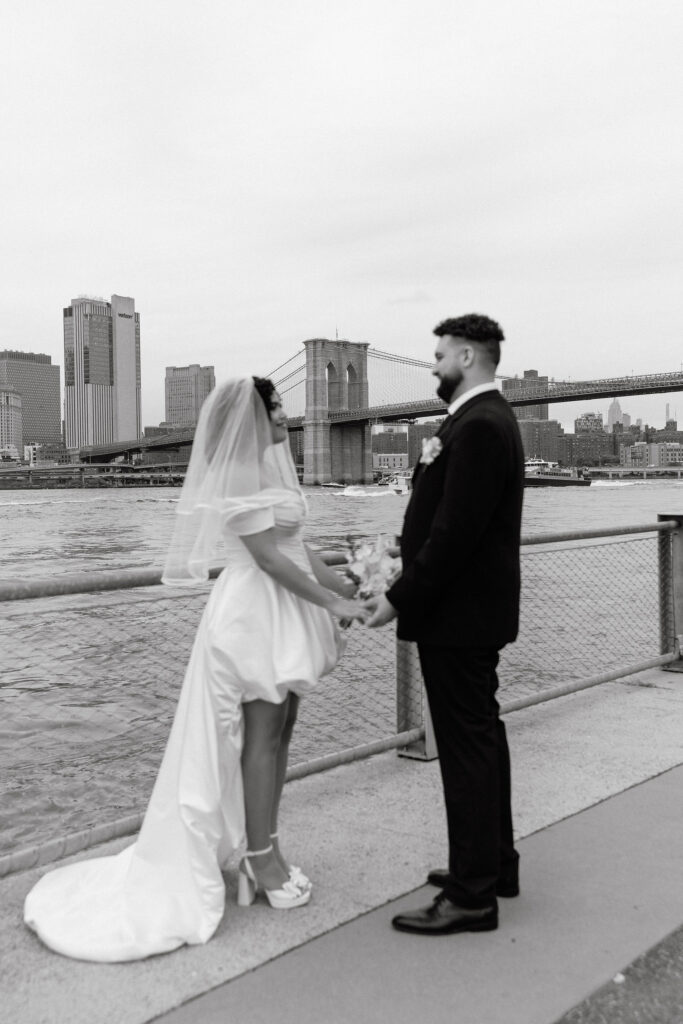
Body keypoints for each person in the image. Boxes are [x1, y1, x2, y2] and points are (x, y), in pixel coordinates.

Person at [24, 376, 366, 961]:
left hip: (283, 608)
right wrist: (330, 602)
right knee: (258, 738)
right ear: (252, 415)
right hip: (253, 612)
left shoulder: (272, 468)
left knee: (281, 734)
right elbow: (261, 556)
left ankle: (268, 848)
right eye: (276, 404)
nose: (286, 411)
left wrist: (349, 586)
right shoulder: (236, 472)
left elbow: (296, 545)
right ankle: (260, 862)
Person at [365, 314, 524, 935]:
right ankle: (493, 866)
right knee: (481, 737)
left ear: (467, 355)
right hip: (468, 613)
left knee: (465, 750)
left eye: (438, 356)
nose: (431, 366)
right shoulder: (476, 421)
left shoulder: (480, 426)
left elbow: (455, 534)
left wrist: (398, 596)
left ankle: (471, 896)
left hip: (459, 616)